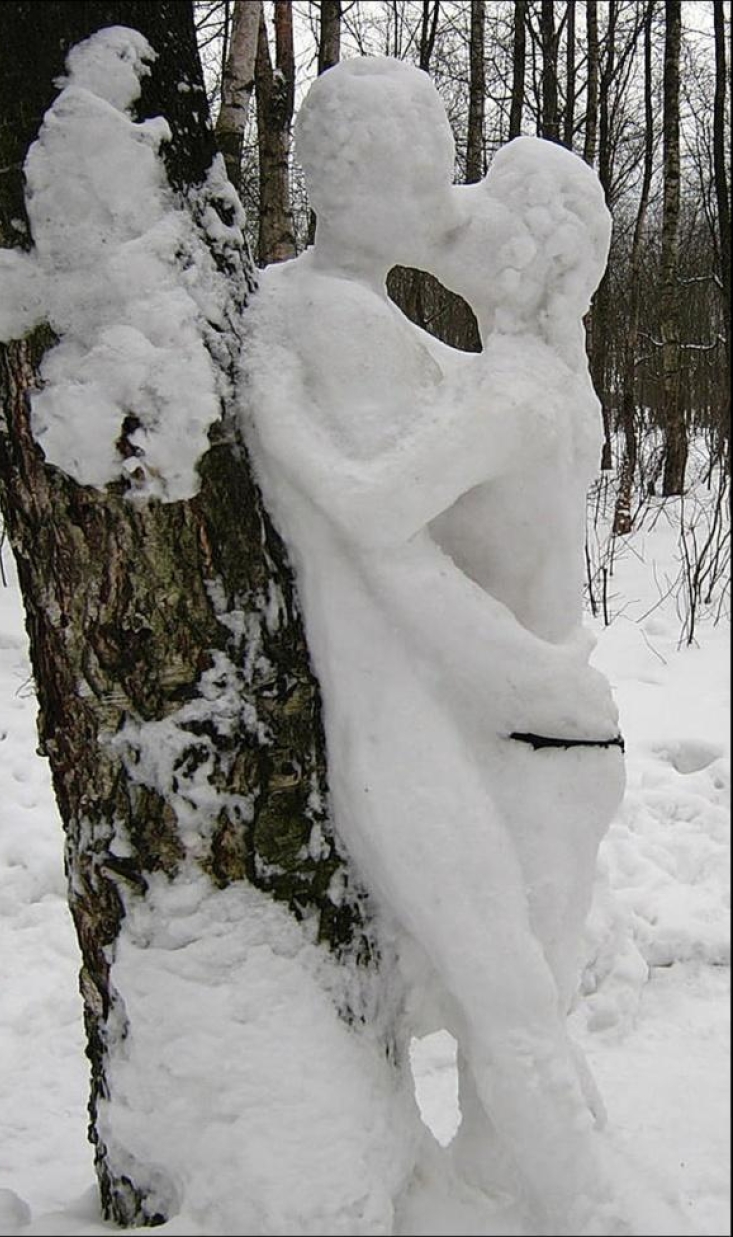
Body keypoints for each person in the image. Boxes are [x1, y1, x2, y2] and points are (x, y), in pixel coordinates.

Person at [239, 57, 666, 1236]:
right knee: (518, 1014)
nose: (454, 208)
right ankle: (530, 1198)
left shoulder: (510, 390)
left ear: (526, 262)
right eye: (436, 175)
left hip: (525, 722)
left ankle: (589, 1213)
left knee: (515, 1014)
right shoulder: (515, 376)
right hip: (528, 724)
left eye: (472, 192)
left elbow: (382, 518)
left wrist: (277, 416)